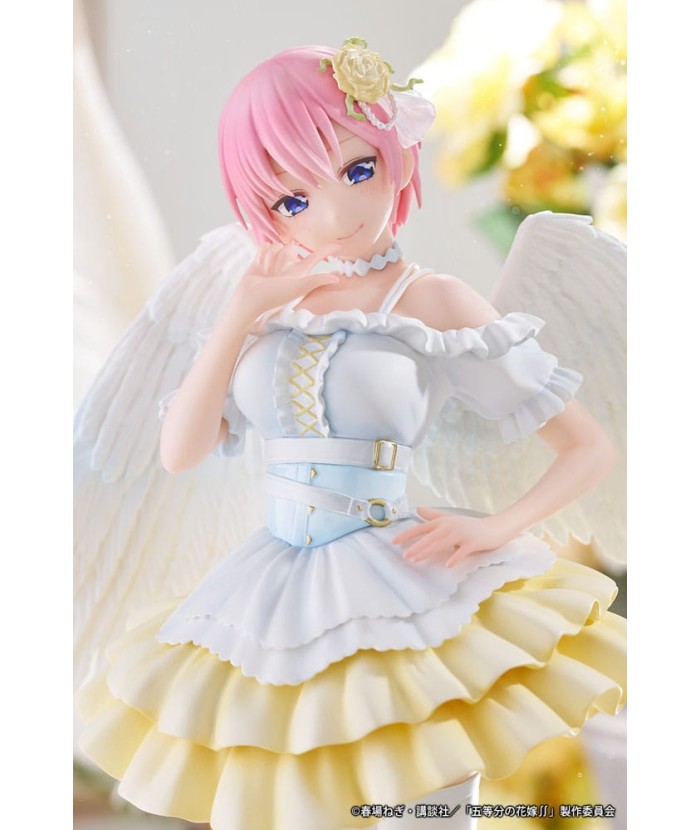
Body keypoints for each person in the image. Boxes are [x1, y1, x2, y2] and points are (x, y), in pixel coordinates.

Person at [75, 39, 626, 830]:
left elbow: (589, 448)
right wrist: (240, 313)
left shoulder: (433, 300)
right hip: (273, 587)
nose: (335, 216)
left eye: (358, 170)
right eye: (292, 199)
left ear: (396, 155)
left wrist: (495, 526)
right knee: (294, 793)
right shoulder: (261, 305)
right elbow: (180, 450)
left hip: (403, 575)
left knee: (422, 798)